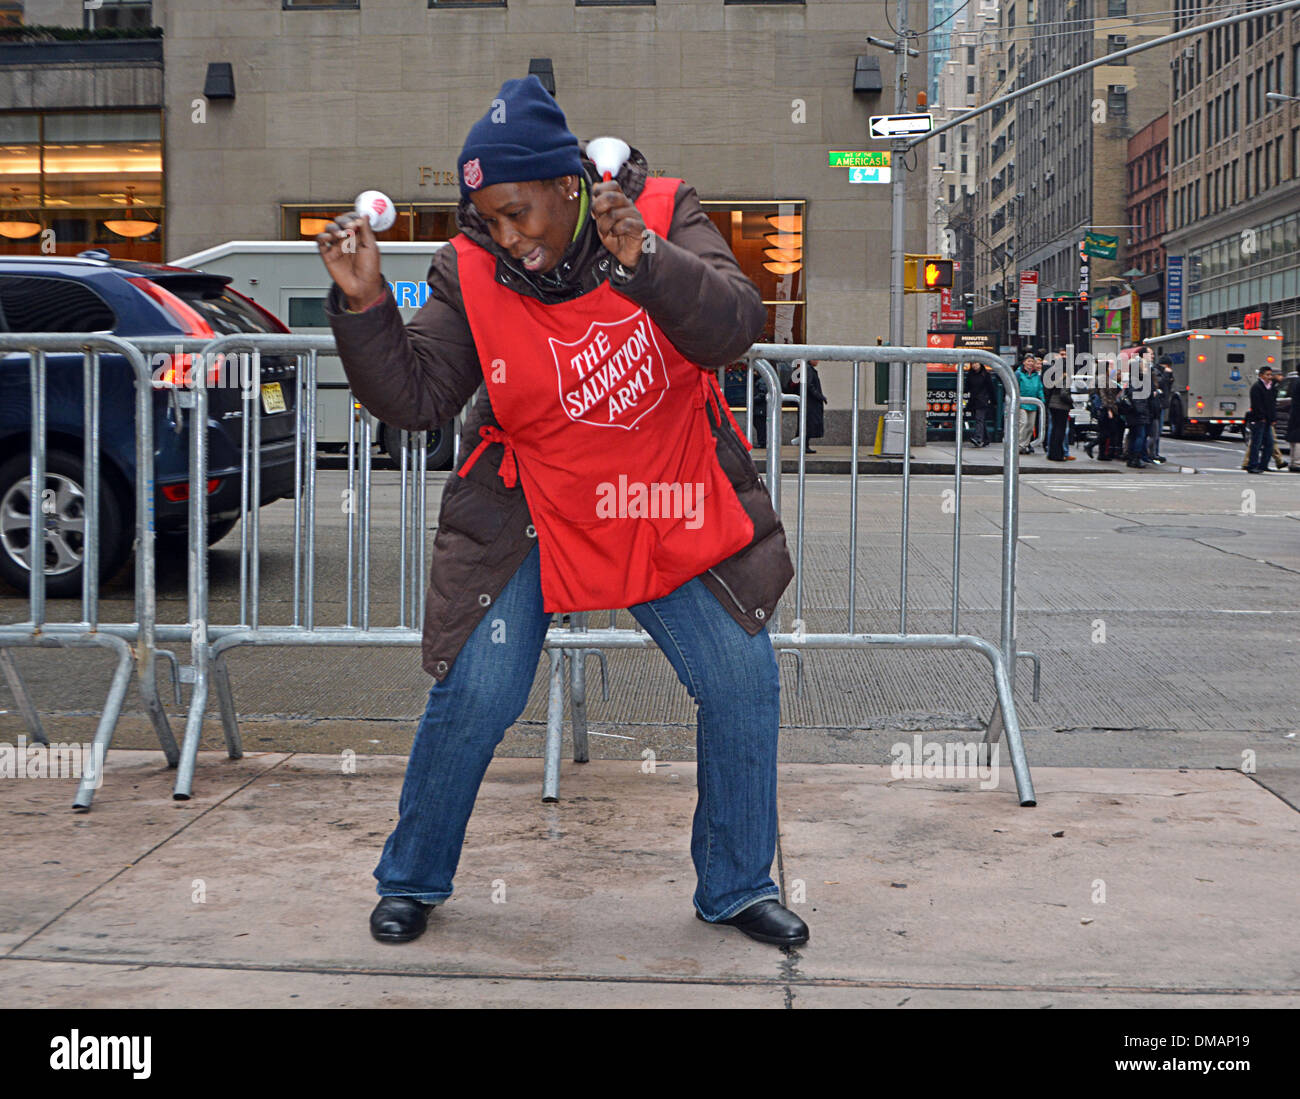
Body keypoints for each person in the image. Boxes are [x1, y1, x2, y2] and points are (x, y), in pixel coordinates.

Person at [316, 76, 807, 948]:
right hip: (533, 508)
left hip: (662, 497)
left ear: (570, 185)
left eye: (521, 213)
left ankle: (737, 883)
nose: (509, 237)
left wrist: (649, 259)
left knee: (741, 678)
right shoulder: (467, 266)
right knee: (478, 688)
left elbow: (734, 326)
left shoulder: (660, 208)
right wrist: (365, 306)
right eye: (490, 218)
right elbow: (422, 395)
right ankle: (413, 875)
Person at [1245, 365, 1279, 473]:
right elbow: (1257, 404)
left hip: (1268, 420)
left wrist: (1273, 418)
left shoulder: (1271, 387)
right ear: (1261, 375)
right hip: (1259, 420)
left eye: (1270, 375)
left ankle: (1263, 465)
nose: (1269, 377)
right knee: (1257, 443)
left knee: (1269, 443)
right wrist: (1261, 417)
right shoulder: (1257, 387)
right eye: (1267, 375)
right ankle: (1252, 465)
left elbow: (1273, 404)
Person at [1043, 352, 1074, 461]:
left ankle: (1051, 453)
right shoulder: (1066, 377)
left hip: (1052, 403)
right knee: (1060, 431)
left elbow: (1047, 389)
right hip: (1062, 406)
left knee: (1054, 429)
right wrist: (1071, 401)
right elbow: (1064, 394)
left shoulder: (1054, 374)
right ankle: (1058, 454)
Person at [1147, 353, 1172, 464]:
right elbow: (1160, 384)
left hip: (1161, 404)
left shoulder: (1160, 371)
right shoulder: (1157, 372)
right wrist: (1167, 375)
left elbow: (1168, 386)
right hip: (1157, 405)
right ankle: (1150, 453)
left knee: (1157, 431)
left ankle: (1154, 453)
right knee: (1155, 432)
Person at [1016, 354, 1043, 454]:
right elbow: (1015, 386)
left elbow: (1039, 388)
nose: (1030, 363)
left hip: (1033, 403)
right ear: (1024, 362)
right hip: (1022, 402)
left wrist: (1042, 399)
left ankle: (1025, 444)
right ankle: (1018, 444)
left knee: (1030, 426)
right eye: (1028, 361)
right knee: (1023, 422)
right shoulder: (1019, 373)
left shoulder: (1036, 375)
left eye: (1032, 361)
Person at [964, 361, 996, 447]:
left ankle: (978, 438)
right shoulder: (970, 374)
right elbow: (967, 387)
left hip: (983, 400)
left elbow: (991, 388)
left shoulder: (985, 375)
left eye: (976, 363)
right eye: (973, 364)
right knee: (980, 419)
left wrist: (993, 400)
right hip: (974, 400)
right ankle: (986, 438)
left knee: (979, 418)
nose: (974, 365)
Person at [1286, 373, 1300, 471]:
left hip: (1294, 413)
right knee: (1298, 440)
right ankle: (1297, 463)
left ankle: (1292, 462)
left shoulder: (1296, 381)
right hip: (1298, 414)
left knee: (1294, 439)